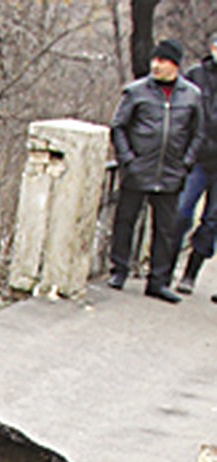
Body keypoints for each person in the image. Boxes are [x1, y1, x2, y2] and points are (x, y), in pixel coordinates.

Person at [108, 38, 203, 303]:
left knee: (166, 229)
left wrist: (186, 162)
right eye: (155, 60)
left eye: (162, 61)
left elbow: (198, 134)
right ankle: (119, 269)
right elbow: (119, 126)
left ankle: (159, 280)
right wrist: (127, 160)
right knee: (126, 220)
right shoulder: (136, 92)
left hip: (171, 172)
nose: (156, 65)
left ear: (175, 64)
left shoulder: (191, 96)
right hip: (139, 168)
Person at [172, 33, 217, 293]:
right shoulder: (195, 76)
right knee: (180, 212)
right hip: (197, 155)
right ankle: (165, 267)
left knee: (212, 221)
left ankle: (191, 272)